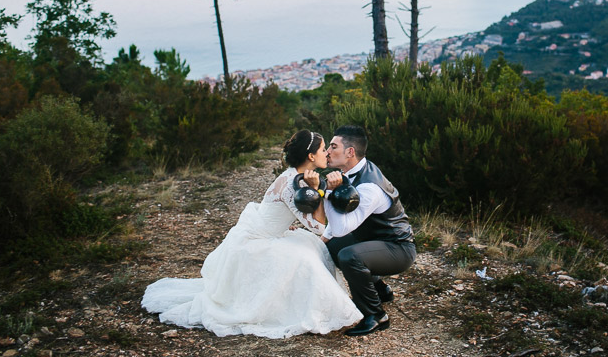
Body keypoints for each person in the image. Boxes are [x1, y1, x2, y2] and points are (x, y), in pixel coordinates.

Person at [141, 130, 362, 338]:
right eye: (323, 149)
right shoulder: (293, 184)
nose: (327, 153)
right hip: (257, 241)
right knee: (306, 259)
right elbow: (319, 228)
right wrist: (317, 191)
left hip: (268, 231)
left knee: (310, 248)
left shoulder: (295, 175)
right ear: (311, 155)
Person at [322, 124, 417, 336]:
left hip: (398, 249)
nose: (327, 152)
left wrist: (328, 194)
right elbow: (336, 230)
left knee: (349, 256)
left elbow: (343, 227)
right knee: (333, 247)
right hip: (375, 242)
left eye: (333, 146)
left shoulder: (369, 187)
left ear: (350, 152)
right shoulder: (352, 170)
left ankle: (375, 315)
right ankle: (380, 289)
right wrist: (323, 239)